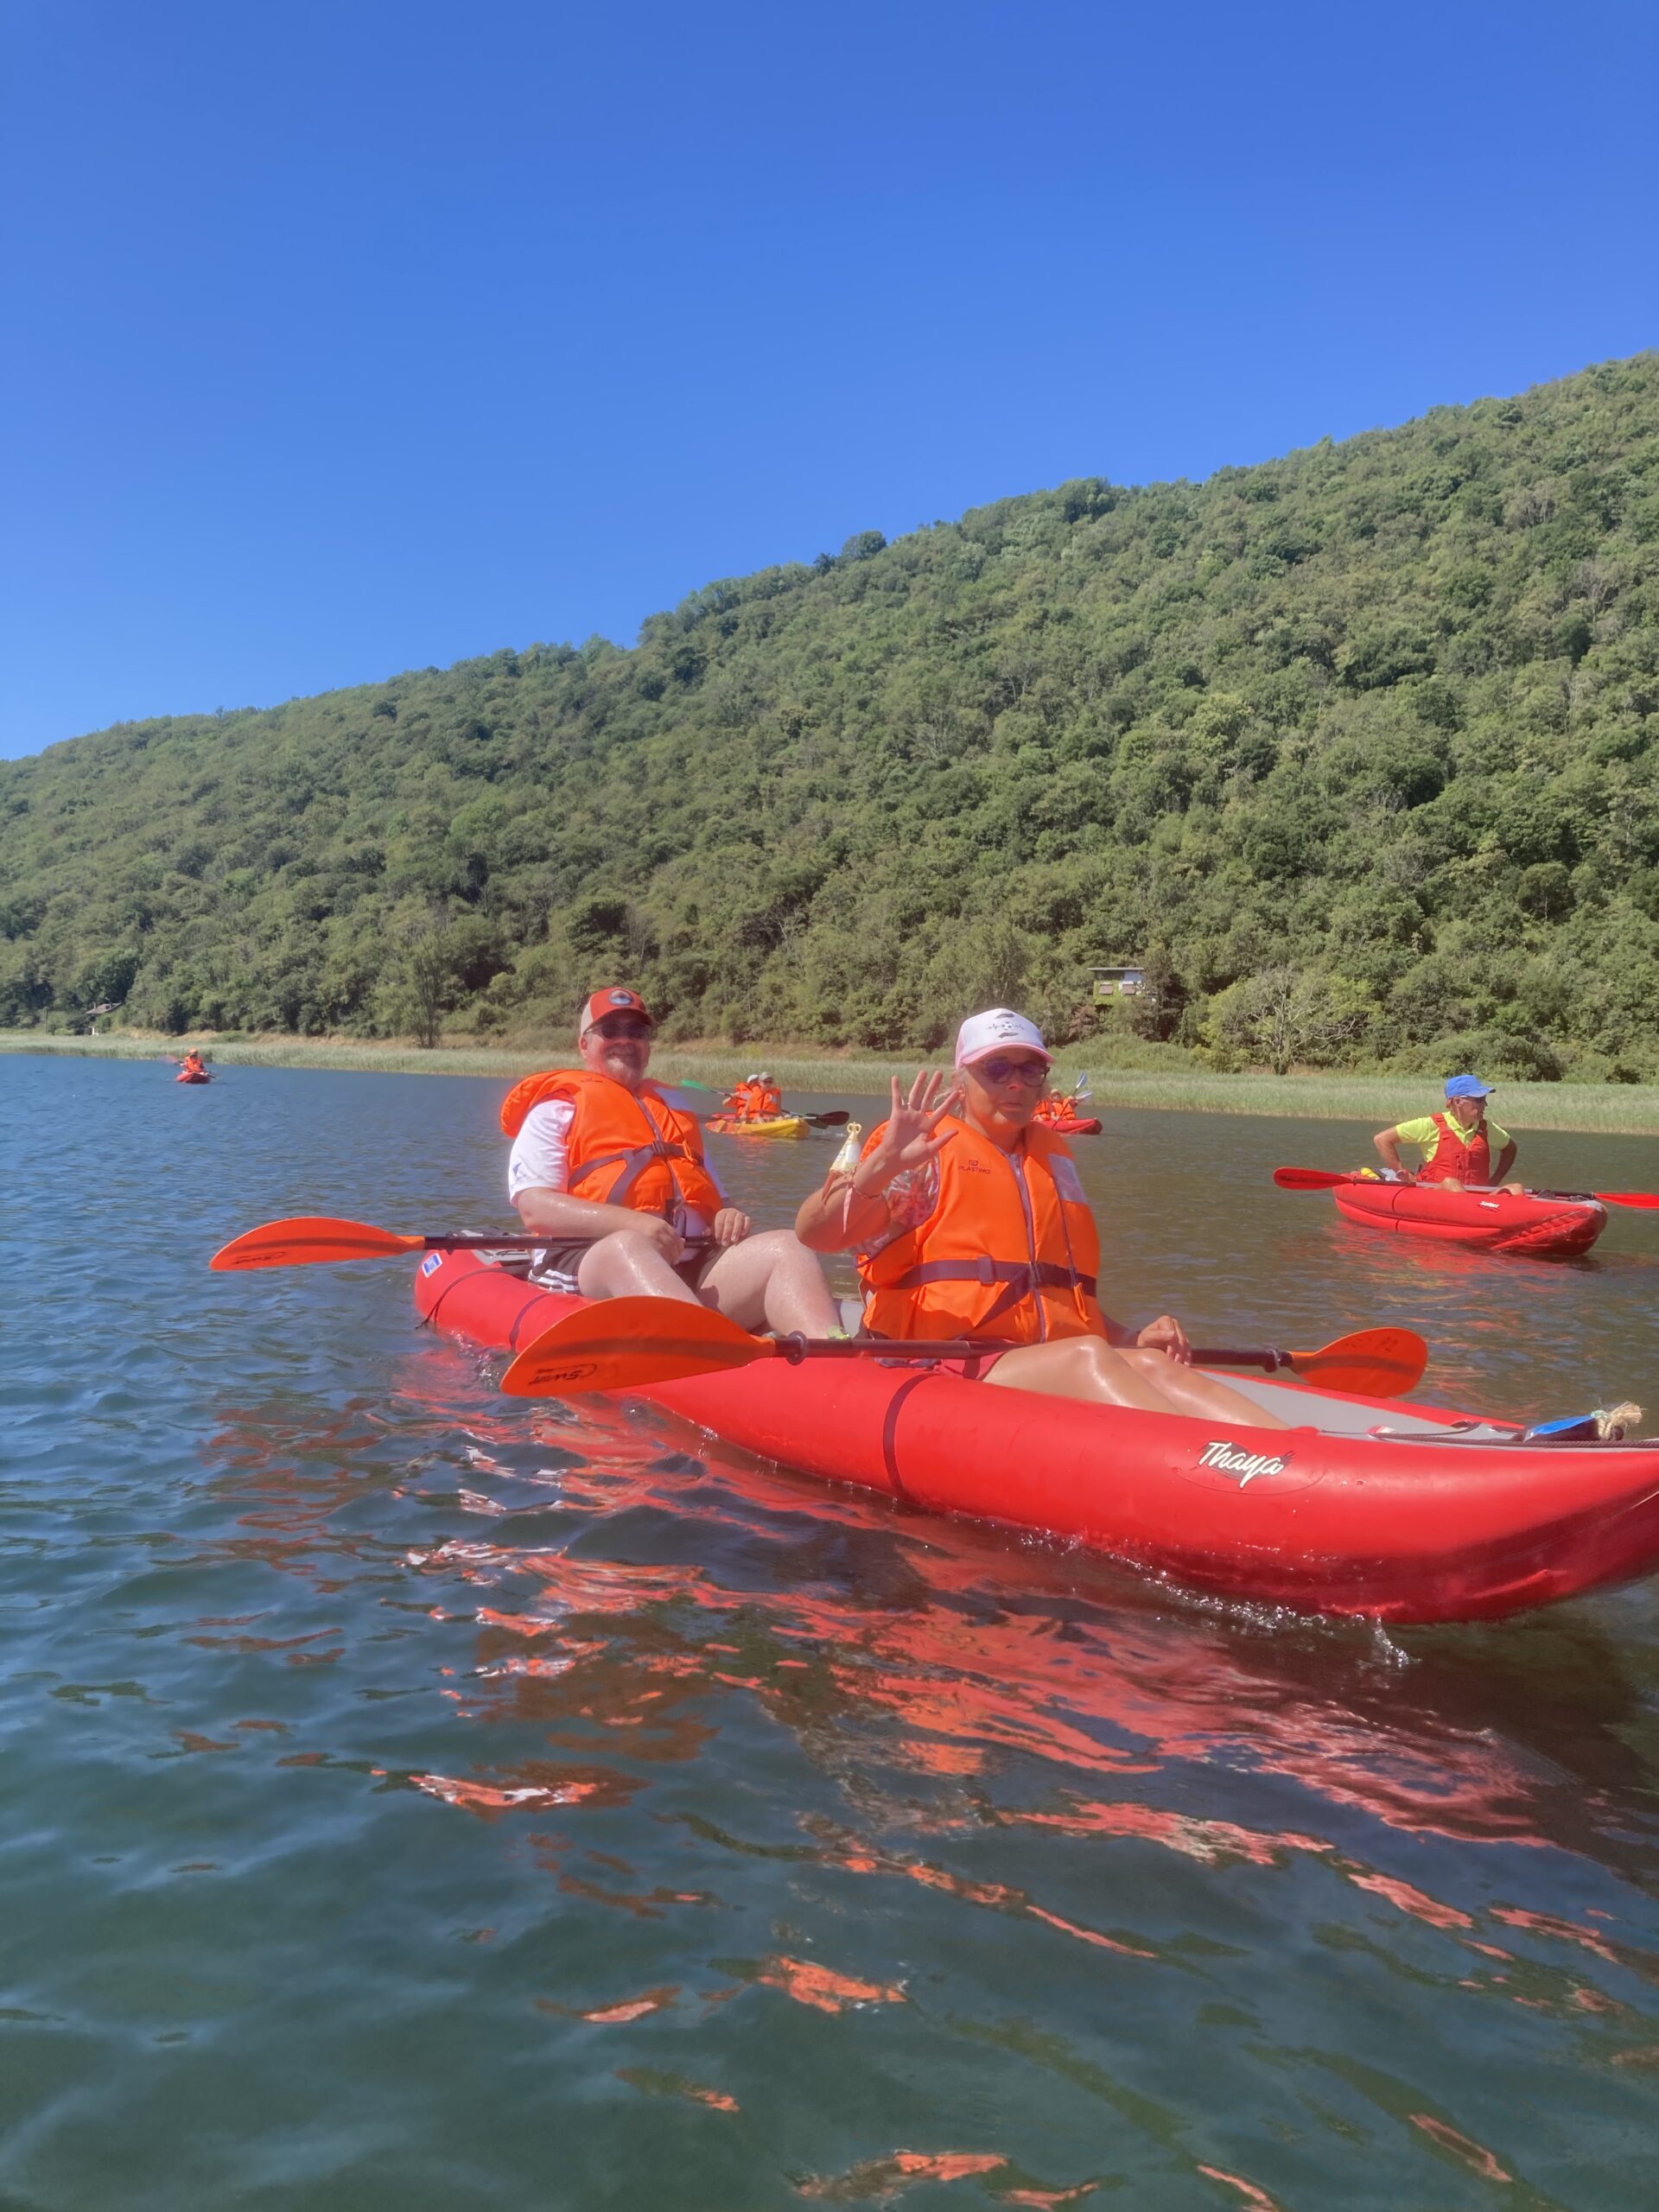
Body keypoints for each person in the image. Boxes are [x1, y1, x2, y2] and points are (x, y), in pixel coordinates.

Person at [794, 1008, 1287, 1427]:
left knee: (1153, 1365)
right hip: (939, 1360)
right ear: (961, 1082)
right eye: (996, 1068)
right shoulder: (924, 1158)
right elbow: (816, 1234)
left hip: (1039, 1360)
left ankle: (1293, 1447)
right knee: (1087, 1356)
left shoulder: (1051, 1160)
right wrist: (878, 1170)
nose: (1015, 1082)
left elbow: (1051, 1299)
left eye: (1030, 1070)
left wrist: (1131, 1338)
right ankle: (1204, 1463)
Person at [505, 988, 841, 1334]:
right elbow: (535, 1207)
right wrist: (633, 1223)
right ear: (584, 1045)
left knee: (787, 1246)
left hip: (692, 1264)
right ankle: (699, 1343)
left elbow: (717, 1197)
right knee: (628, 1245)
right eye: (611, 1030)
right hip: (592, 1260)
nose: (625, 1040)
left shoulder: (674, 1109)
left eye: (637, 1031)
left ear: (648, 1046)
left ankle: (831, 1352)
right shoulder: (556, 1109)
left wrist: (727, 1214)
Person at [1374, 1075, 1520, 1191]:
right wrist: (1400, 1171)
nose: (1485, 1104)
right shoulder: (1430, 1125)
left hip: (1477, 1200)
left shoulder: (1487, 1129)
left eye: (1484, 1099)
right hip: (1437, 1198)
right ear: (1457, 1102)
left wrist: (1494, 1181)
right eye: (1479, 1099)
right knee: (1451, 1184)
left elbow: (1510, 1149)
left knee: (1516, 1188)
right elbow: (1382, 1139)